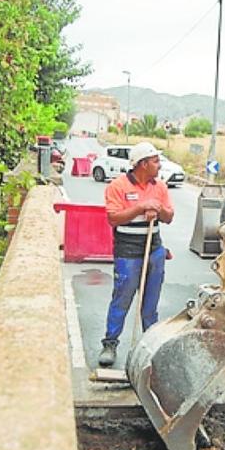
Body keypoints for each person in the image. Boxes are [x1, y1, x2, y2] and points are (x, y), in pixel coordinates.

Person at [98, 141, 175, 368]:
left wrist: (158, 209)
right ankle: (110, 343)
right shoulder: (117, 186)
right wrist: (142, 207)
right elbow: (114, 218)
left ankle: (150, 346)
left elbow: (169, 217)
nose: (159, 165)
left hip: (154, 250)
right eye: (155, 161)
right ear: (142, 164)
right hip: (128, 251)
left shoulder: (160, 186)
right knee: (122, 298)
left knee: (150, 304)